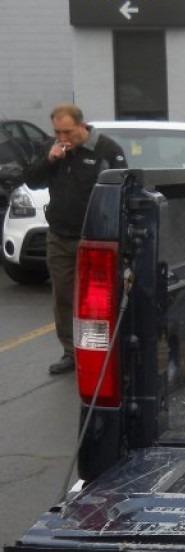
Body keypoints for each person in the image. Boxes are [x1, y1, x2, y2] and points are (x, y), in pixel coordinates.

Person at [24, 104, 127, 375]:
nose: (63, 137)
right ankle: (71, 351)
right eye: (57, 132)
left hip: (95, 238)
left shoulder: (107, 150)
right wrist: (50, 159)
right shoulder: (54, 148)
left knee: (98, 297)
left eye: (67, 132)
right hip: (60, 236)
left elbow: (122, 190)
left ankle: (104, 348)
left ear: (82, 126)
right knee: (64, 296)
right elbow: (32, 181)